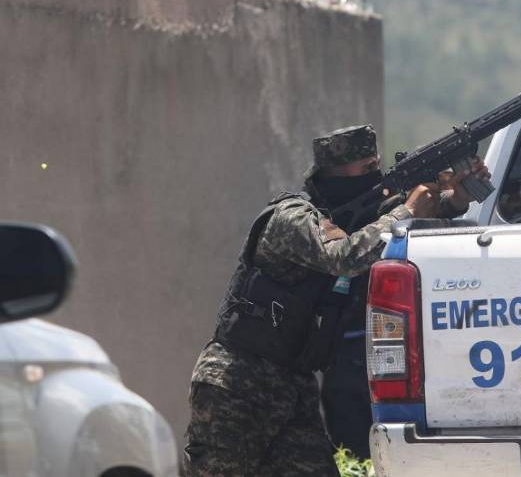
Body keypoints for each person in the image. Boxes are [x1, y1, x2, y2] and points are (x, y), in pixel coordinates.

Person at [183, 124, 489, 476]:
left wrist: (456, 199)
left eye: (376, 166)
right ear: (331, 176)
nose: (374, 177)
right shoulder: (290, 219)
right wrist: (405, 211)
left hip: (293, 384)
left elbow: (393, 232)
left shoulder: (353, 220)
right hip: (238, 382)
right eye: (364, 170)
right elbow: (345, 256)